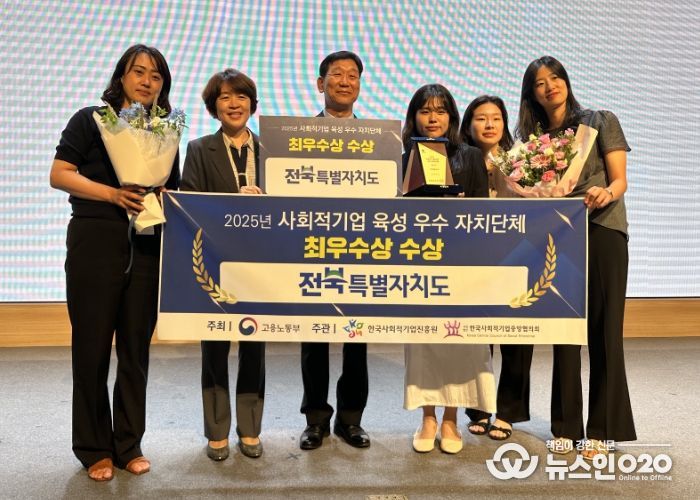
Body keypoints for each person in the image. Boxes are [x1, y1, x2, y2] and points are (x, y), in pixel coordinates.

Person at [50, 44, 180, 481]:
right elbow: (59, 174)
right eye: (138, 72)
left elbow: (172, 191)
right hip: (95, 241)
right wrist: (113, 194)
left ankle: (128, 444)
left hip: (145, 246)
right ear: (122, 77)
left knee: (135, 352)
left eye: (156, 76)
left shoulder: (165, 133)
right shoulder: (91, 119)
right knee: (91, 350)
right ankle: (93, 448)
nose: (147, 81)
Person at [516, 56, 636, 459]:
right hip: (559, 237)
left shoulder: (598, 121)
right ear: (532, 94)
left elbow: (619, 179)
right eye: (539, 83)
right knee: (564, 332)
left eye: (555, 78)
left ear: (566, 82)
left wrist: (607, 192)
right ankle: (566, 426)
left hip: (603, 229)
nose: (549, 86)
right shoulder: (532, 143)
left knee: (605, 331)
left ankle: (602, 429)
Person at [401, 84, 496, 454]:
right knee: (423, 341)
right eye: (425, 111)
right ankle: (427, 417)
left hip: (462, 263)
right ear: (414, 117)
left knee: (460, 342)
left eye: (440, 111)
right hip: (419, 262)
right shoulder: (402, 156)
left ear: (452, 117)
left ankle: (452, 418)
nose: (433, 118)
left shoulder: (470, 156)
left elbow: (482, 214)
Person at [180, 69, 266, 461]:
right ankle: (216, 430)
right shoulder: (199, 149)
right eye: (225, 97)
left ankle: (250, 427)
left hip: (262, 266)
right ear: (214, 106)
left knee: (255, 346)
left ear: (252, 104)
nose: (234, 104)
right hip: (214, 263)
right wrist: (234, 202)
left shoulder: (271, 151)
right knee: (214, 345)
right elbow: (190, 205)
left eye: (241, 96)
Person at [299, 50, 371, 450]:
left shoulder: (377, 138)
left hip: (359, 248)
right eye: (337, 74)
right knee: (313, 338)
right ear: (320, 83)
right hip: (313, 248)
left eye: (352, 75)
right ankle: (315, 420)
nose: (345, 81)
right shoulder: (298, 136)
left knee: (357, 338)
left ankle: (351, 419)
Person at [459, 95, 534, 441]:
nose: (489, 124)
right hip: (472, 258)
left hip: (515, 256)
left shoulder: (522, 159)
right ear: (468, 124)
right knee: (476, 337)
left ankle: (508, 411)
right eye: (480, 118)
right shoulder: (458, 159)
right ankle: (478, 409)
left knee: (516, 338)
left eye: (496, 118)